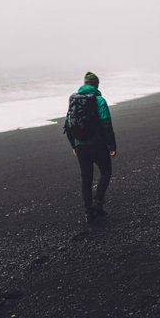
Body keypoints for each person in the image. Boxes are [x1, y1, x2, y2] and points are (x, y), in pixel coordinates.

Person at [64, 72, 117, 222]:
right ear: (96, 85)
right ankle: (97, 203)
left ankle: (88, 213)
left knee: (86, 178)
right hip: (98, 144)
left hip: (80, 146)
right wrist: (111, 145)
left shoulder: (73, 100)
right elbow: (106, 124)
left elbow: (68, 125)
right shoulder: (99, 100)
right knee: (106, 171)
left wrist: (74, 145)